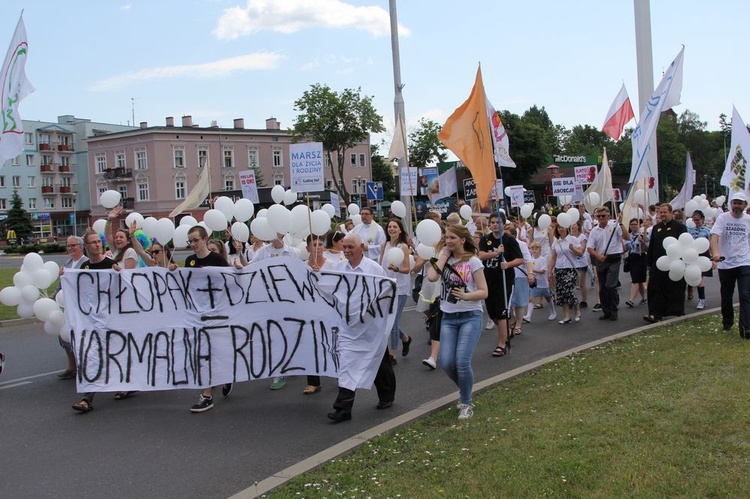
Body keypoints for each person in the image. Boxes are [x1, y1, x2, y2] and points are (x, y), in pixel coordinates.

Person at [327, 233, 396, 422]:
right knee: (347, 363)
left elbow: (386, 292)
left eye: (351, 247)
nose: (347, 251)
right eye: (345, 247)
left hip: (371, 327)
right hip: (348, 328)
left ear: (361, 247)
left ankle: (387, 395)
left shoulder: (374, 269)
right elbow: (332, 290)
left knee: (379, 362)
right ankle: (343, 408)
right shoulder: (339, 268)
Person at [426, 224, 488, 420]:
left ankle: (466, 402)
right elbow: (432, 276)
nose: (449, 241)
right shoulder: (443, 259)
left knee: (462, 361)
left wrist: (466, 296)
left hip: (470, 316)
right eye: (447, 238)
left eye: (453, 238)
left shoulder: (474, 262)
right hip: (449, 317)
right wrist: (443, 255)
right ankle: (466, 389)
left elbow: (484, 291)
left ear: (463, 239)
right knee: (446, 361)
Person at [183, 226, 232, 413]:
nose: (193, 244)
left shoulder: (217, 259)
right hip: (198, 314)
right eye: (190, 241)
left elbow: (229, 281)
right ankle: (214, 386)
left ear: (204, 239)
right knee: (205, 352)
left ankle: (210, 391)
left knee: (212, 352)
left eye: (196, 240)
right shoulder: (189, 261)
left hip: (216, 312)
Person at [71, 231, 120, 413]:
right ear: (86, 246)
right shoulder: (84, 267)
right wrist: (65, 275)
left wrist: (119, 273)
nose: (97, 245)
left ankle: (127, 384)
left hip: (112, 319)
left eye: (99, 242)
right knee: (92, 356)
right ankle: (87, 398)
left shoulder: (110, 264)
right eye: (93, 243)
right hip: (92, 321)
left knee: (115, 355)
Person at [250, 232, 296, 390]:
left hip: (288, 300)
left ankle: (287, 363)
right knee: (273, 333)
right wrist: (239, 264)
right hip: (268, 299)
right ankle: (280, 369)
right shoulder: (263, 251)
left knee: (287, 332)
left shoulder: (292, 252)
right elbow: (250, 266)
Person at [478, 213, 524, 357]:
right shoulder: (486, 239)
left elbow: (520, 259)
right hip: (488, 281)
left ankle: (502, 344)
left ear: (503, 223)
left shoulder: (509, 240)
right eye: (491, 222)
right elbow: (481, 255)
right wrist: (496, 253)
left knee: (502, 312)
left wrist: (508, 264)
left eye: (497, 222)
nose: (494, 225)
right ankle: (507, 331)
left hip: (504, 281)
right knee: (492, 313)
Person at [710, 191, 750, 336]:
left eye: (740, 203)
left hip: (744, 261)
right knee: (726, 295)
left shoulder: (748, 220)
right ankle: (727, 322)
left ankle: (746, 328)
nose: (737, 206)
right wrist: (716, 253)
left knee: (745, 294)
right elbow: (714, 237)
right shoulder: (723, 218)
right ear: (730, 204)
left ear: (745, 205)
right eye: (734, 203)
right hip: (725, 263)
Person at [303, 234, 336, 394]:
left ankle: (341, 374)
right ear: (308, 248)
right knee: (311, 346)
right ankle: (313, 381)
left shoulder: (331, 265)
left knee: (333, 344)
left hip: (329, 310)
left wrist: (320, 275)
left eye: (321, 244)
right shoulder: (301, 266)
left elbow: (336, 287)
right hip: (309, 312)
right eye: (314, 244)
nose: (318, 247)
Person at [644, 203, 687, 323]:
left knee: (675, 289)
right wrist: (649, 263)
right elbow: (651, 246)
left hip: (675, 264)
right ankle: (654, 313)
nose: (662, 214)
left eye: (664, 212)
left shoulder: (679, 227)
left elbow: (684, 245)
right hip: (658, 264)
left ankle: (676, 311)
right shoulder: (656, 228)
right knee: (655, 288)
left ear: (671, 213)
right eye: (660, 212)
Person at [378, 218, 412, 363]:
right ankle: (405, 338)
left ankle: (392, 353)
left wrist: (396, 269)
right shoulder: (384, 245)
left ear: (400, 230)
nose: (391, 229)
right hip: (386, 287)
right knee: (388, 321)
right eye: (389, 227)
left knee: (393, 322)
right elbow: (380, 265)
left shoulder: (403, 247)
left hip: (400, 288)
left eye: (395, 227)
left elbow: (407, 268)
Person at [55, 236, 88, 380]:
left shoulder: (86, 262)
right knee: (64, 335)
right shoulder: (68, 263)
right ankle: (72, 366)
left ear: (81, 246)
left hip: (80, 305)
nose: (70, 248)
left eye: (73, 245)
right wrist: (54, 295)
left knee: (80, 337)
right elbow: (62, 283)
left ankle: (83, 366)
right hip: (66, 304)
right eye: (68, 246)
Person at [587, 207, 624, 321]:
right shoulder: (594, 231)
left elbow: (625, 236)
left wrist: (622, 224)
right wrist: (598, 256)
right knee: (602, 287)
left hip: (614, 258)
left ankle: (614, 309)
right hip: (601, 259)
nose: (601, 218)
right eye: (599, 216)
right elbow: (590, 248)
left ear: (608, 216)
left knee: (610, 285)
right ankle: (606, 310)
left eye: (603, 216)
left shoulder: (615, 226)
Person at [549, 223, 582, 324]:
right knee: (560, 293)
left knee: (568, 290)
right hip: (559, 268)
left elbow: (580, 253)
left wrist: (573, 249)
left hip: (570, 268)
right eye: (559, 227)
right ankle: (567, 315)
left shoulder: (572, 239)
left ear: (566, 228)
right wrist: (550, 270)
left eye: (562, 227)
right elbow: (553, 257)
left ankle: (577, 308)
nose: (560, 229)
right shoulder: (556, 241)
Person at [523, 242, 556, 322]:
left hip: (543, 283)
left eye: (536, 249)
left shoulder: (542, 259)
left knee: (548, 298)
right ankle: (528, 316)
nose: (534, 250)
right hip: (535, 284)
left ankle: (553, 312)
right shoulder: (530, 260)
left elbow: (542, 271)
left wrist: (532, 270)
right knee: (531, 298)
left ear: (540, 250)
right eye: (532, 249)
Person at [687, 210, 712, 309]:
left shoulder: (707, 231)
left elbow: (711, 244)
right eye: (694, 220)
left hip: (703, 255)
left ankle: (702, 299)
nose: (696, 221)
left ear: (702, 219)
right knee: (692, 275)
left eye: (697, 219)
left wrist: (713, 258)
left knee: (699, 278)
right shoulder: (691, 231)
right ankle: (690, 291)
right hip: (693, 255)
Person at [623, 218, 648, 308]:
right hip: (632, 258)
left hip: (640, 257)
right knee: (639, 280)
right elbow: (625, 249)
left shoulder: (642, 235)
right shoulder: (628, 236)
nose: (633, 226)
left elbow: (646, 248)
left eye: (635, 224)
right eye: (631, 224)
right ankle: (644, 297)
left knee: (635, 280)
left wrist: (642, 242)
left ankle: (631, 300)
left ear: (639, 225)